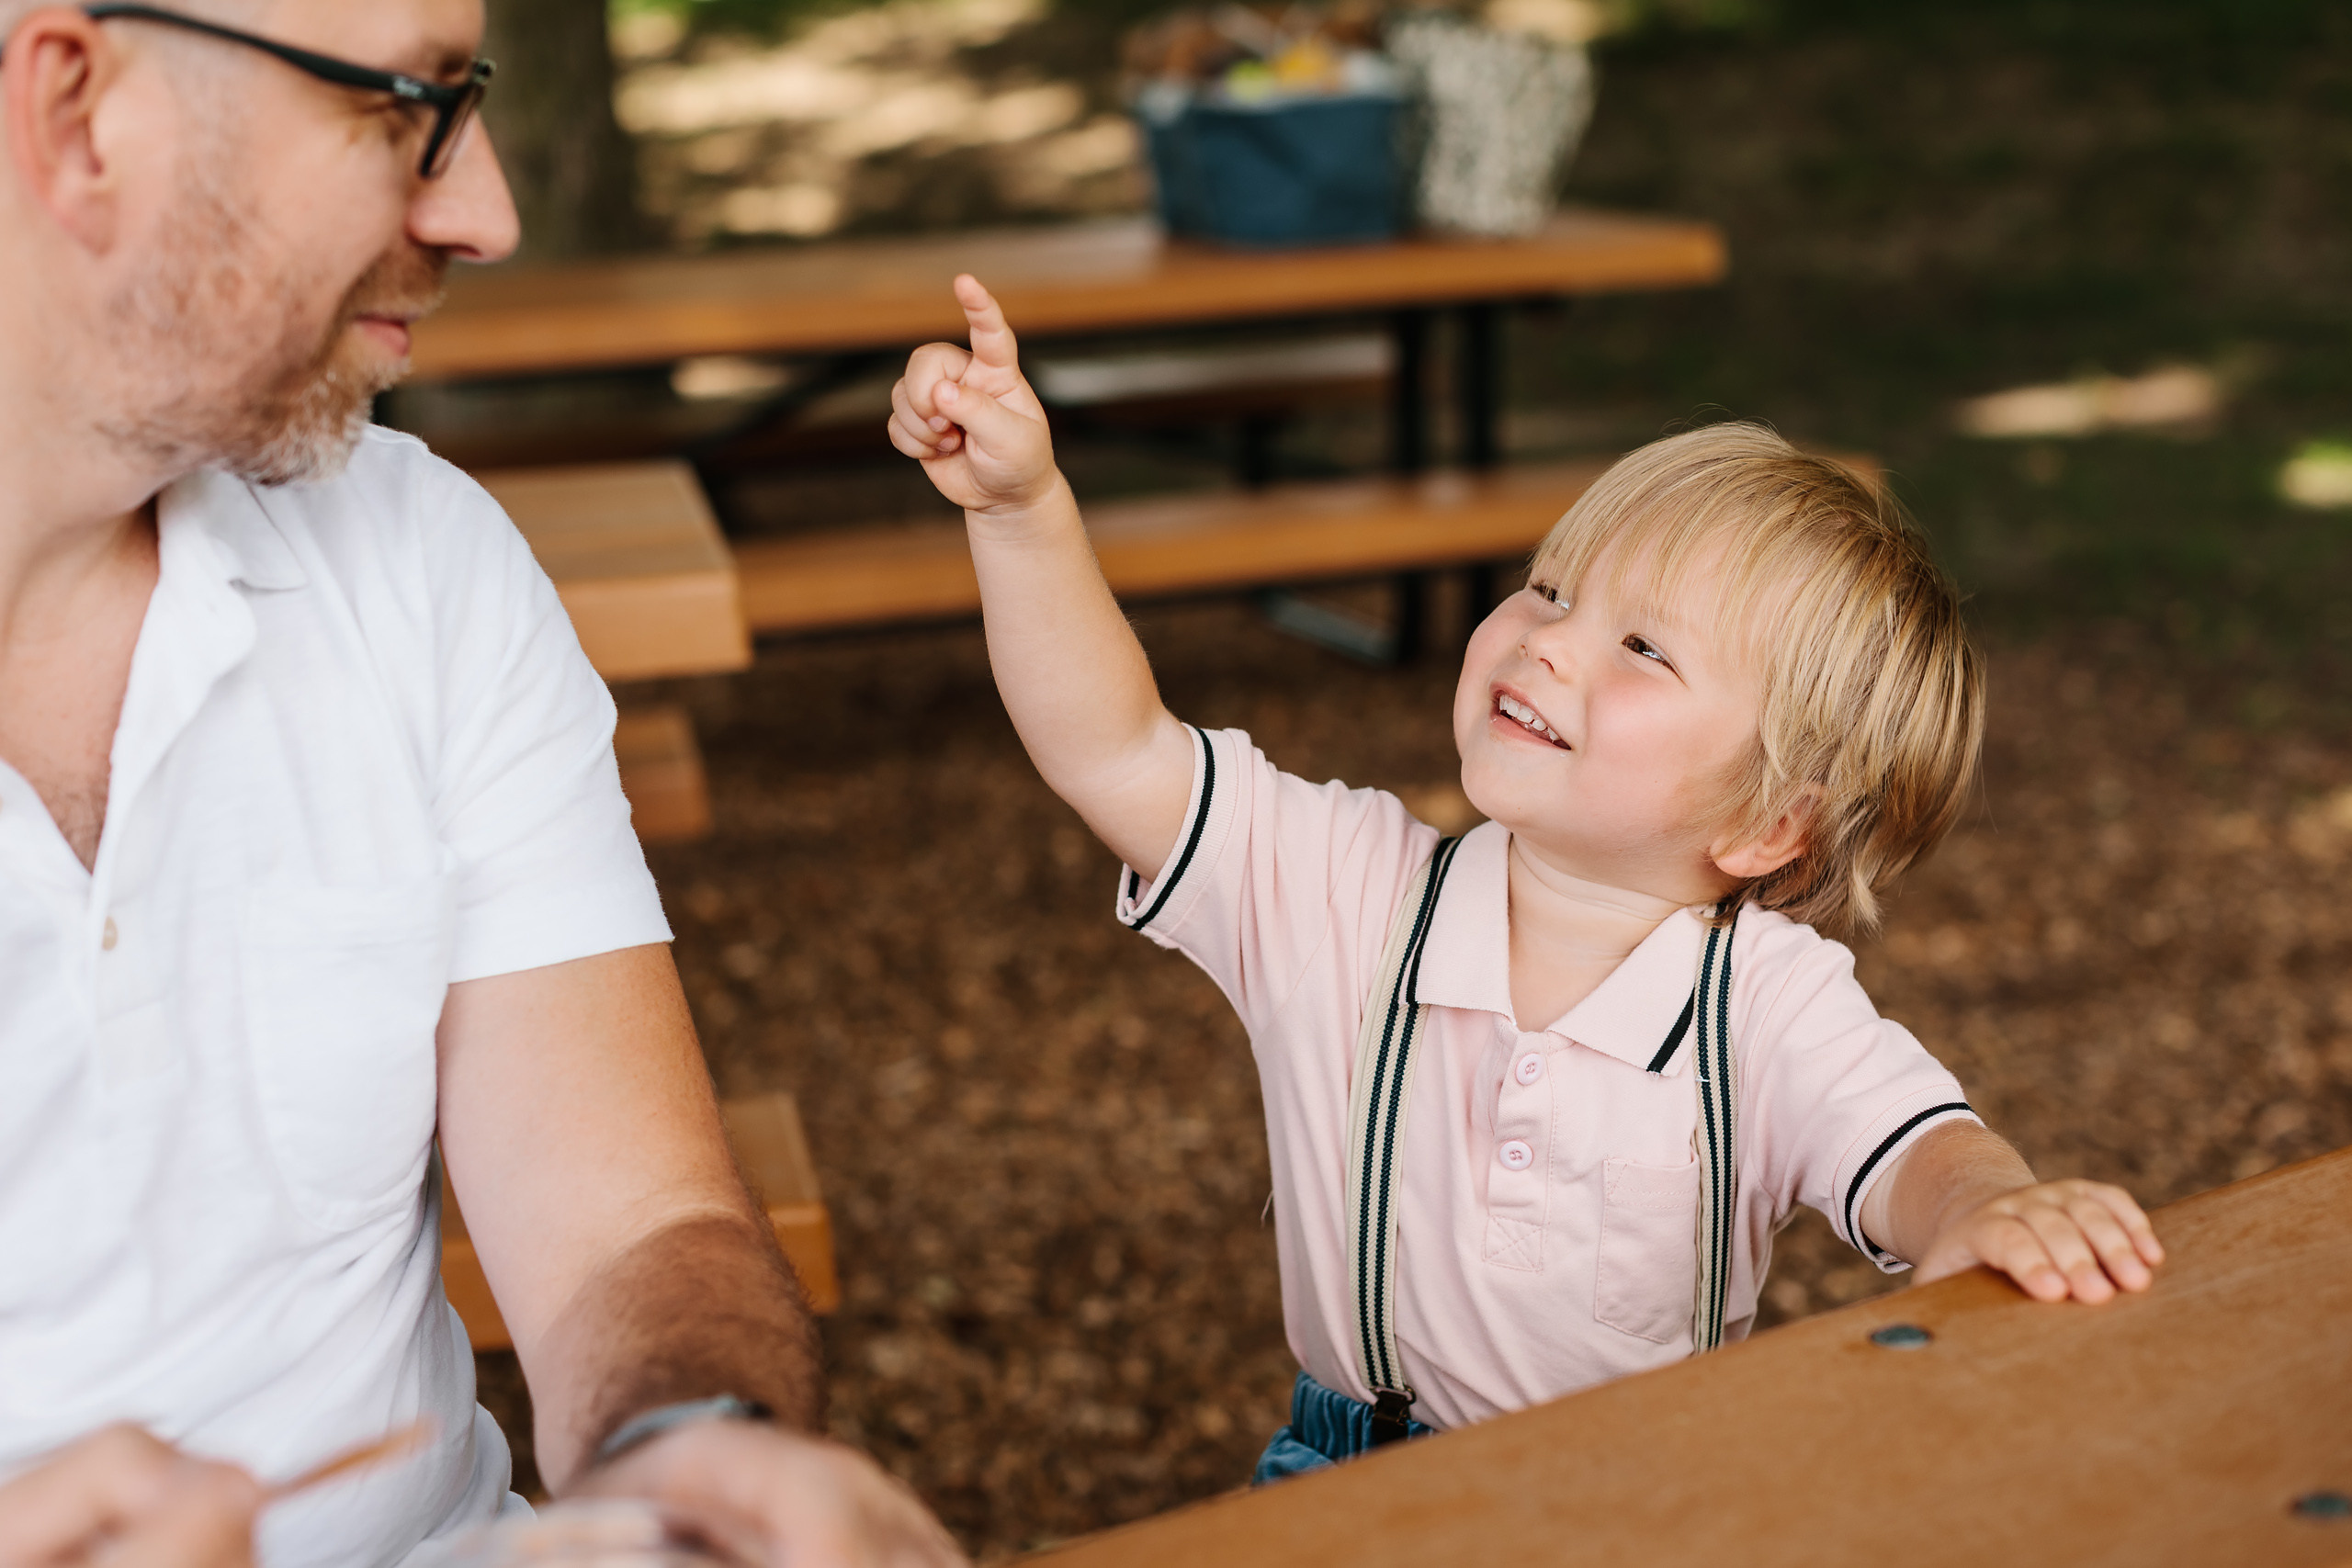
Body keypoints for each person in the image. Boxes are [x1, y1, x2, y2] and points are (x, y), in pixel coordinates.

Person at [888, 277, 2168, 1481]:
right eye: (1549, 587)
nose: (1548, 641)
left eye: (1643, 646)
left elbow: (1917, 1151)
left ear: (1772, 824)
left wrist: (1990, 1207)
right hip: (1341, 1487)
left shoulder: (1766, 1004)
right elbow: (1113, 748)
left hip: (1636, 1506)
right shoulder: (1342, 888)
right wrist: (1020, 511)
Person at [0, 3, 960, 1564]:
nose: (488, 212)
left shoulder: (418, 559)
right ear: (78, 111)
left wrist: (688, 1456)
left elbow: (631, 1230)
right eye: (407, 108)